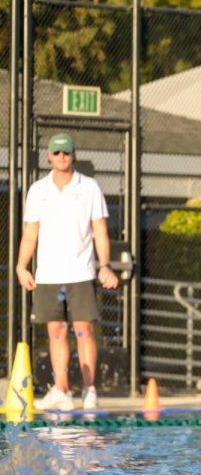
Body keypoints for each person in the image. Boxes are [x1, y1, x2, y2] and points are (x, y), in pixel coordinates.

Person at [15, 132, 117, 412]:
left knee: (84, 330)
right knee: (56, 331)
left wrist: (104, 265)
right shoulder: (38, 190)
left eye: (67, 153)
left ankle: (89, 390)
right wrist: (21, 266)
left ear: (74, 155)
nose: (62, 157)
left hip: (81, 272)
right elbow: (30, 233)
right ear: (49, 156)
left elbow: (99, 230)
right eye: (57, 153)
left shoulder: (90, 187)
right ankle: (61, 390)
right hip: (48, 274)